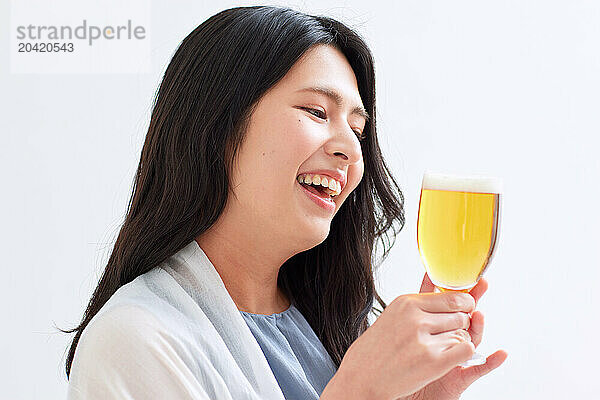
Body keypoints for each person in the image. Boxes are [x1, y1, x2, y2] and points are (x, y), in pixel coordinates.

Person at [62, 6, 507, 399]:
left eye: (358, 129)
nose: (352, 152)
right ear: (216, 123)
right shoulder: (134, 339)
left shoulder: (324, 327)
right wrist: (360, 393)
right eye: (317, 112)